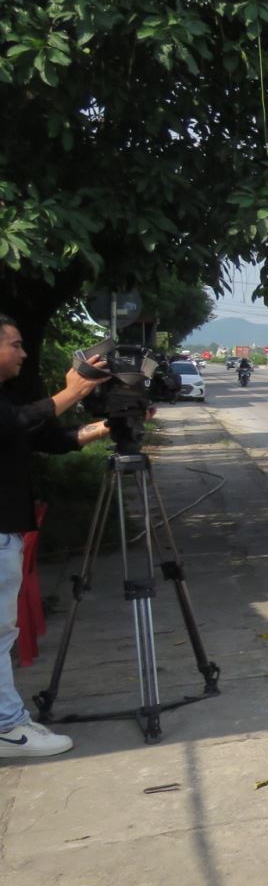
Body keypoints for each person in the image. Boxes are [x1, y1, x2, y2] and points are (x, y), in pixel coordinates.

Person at [0, 313, 116, 757]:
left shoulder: (7, 397)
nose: (24, 353)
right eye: (16, 344)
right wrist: (74, 390)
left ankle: (10, 719)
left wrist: (107, 426)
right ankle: (8, 728)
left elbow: (50, 438)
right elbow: (14, 424)